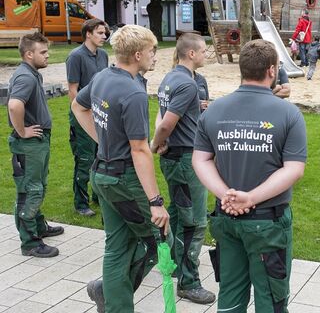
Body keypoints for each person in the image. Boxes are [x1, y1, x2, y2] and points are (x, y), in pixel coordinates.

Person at [192, 39, 307, 313]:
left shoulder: (214, 110)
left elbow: (201, 159)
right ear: (272, 70)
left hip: (226, 219)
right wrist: (250, 198)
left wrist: (225, 195)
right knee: (271, 300)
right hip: (268, 224)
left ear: (241, 69)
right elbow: (294, 168)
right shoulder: (289, 114)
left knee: (230, 297)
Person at [71, 25, 170, 313]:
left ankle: (110, 297)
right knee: (159, 239)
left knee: (117, 247)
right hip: (123, 180)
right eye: (152, 51)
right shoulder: (133, 92)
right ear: (138, 54)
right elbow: (140, 149)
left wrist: (104, 142)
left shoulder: (103, 76)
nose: (154, 57)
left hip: (101, 173)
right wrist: (155, 202)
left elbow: (79, 106)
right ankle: (112, 294)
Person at [150, 33, 215, 304]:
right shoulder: (187, 84)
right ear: (191, 54)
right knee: (195, 223)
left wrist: (162, 140)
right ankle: (189, 282)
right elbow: (166, 123)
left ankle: (176, 263)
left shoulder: (169, 78)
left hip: (174, 158)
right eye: (202, 51)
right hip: (186, 162)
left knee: (177, 214)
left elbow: (161, 115)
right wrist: (156, 142)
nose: (205, 55)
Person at [8, 33, 64, 258]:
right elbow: (14, 105)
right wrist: (23, 131)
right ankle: (30, 242)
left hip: (37, 142)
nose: (47, 55)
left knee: (38, 185)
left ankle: (39, 226)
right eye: (43, 52)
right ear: (29, 54)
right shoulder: (26, 77)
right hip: (29, 144)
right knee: (30, 190)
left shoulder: (32, 74)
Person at [65, 18, 109, 217]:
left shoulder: (104, 55)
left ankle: (98, 196)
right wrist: (84, 112)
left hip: (102, 115)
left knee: (102, 156)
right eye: (100, 33)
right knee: (84, 160)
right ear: (88, 34)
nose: (104, 36)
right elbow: (73, 91)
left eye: (105, 33)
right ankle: (80, 203)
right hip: (82, 116)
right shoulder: (75, 56)